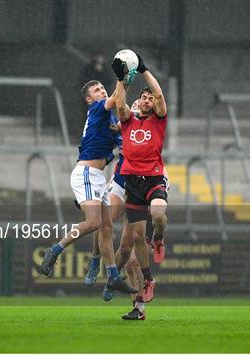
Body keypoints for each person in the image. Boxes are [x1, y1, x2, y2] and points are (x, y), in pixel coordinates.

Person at [39, 80, 137, 300]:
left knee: (106, 227)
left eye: (103, 88)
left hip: (98, 177)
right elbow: (115, 99)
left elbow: (121, 118)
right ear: (89, 99)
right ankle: (55, 250)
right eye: (97, 90)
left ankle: (112, 274)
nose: (102, 91)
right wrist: (123, 79)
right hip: (86, 173)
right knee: (94, 223)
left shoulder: (110, 117)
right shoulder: (97, 108)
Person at [112, 53, 169, 305]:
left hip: (154, 178)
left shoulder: (158, 119)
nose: (147, 100)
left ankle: (158, 237)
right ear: (138, 101)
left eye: (149, 98)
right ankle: (147, 281)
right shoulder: (128, 120)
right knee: (135, 239)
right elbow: (119, 105)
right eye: (143, 97)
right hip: (132, 182)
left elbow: (159, 96)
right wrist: (121, 80)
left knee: (158, 215)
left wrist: (144, 70)